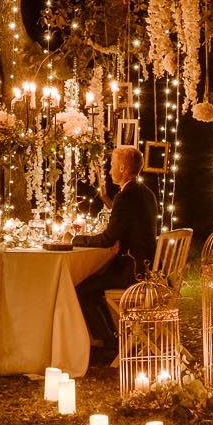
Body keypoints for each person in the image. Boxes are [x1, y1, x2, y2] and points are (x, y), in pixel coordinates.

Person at [72, 145, 159, 360]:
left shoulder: (126, 196)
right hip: (150, 267)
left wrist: (74, 239)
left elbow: (107, 239)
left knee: (82, 288)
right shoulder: (146, 193)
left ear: (122, 167)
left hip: (134, 271)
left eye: (111, 166)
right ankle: (111, 338)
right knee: (92, 285)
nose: (109, 170)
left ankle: (109, 342)